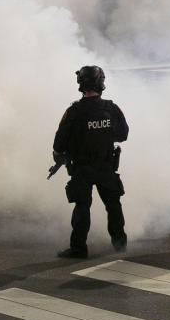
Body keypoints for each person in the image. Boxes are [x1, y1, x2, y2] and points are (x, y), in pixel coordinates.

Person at [52, 65, 129, 258]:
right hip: (105, 166)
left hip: (82, 168)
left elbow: (59, 143)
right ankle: (120, 245)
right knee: (113, 205)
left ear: (81, 84)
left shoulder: (73, 111)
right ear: (101, 83)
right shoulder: (112, 108)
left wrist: (60, 153)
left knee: (82, 207)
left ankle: (78, 249)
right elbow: (123, 134)